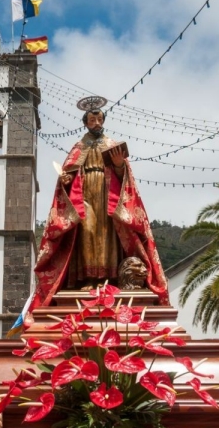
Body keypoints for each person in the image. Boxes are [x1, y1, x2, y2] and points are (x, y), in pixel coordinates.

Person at [31, 96, 168, 310]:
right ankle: (88, 279)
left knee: (107, 234)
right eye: (92, 120)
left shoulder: (112, 145)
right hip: (84, 195)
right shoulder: (78, 147)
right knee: (88, 232)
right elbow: (67, 176)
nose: (96, 123)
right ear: (85, 123)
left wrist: (119, 165)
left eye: (99, 119)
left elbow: (125, 176)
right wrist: (65, 180)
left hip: (108, 194)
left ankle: (110, 278)